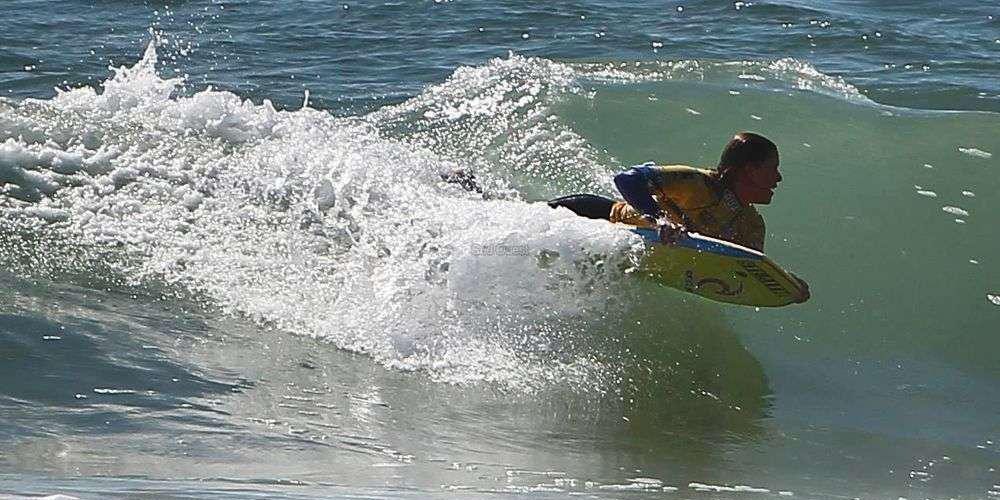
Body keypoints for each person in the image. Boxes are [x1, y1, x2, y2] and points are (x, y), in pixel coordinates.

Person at [548, 132, 781, 252]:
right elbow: (626, 179)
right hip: (592, 219)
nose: (778, 178)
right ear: (750, 170)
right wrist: (660, 221)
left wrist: (787, 287)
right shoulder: (698, 184)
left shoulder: (751, 224)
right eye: (773, 169)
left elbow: (751, 268)